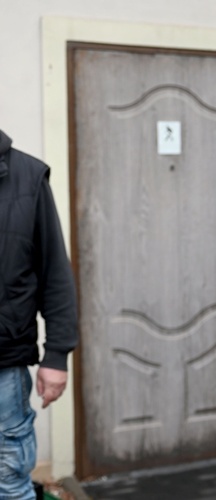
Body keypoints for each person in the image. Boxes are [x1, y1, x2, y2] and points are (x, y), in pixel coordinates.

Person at [0, 129, 78, 500]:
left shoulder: (27, 176)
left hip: (3, 369)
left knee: (9, 485)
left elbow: (54, 274)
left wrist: (57, 354)